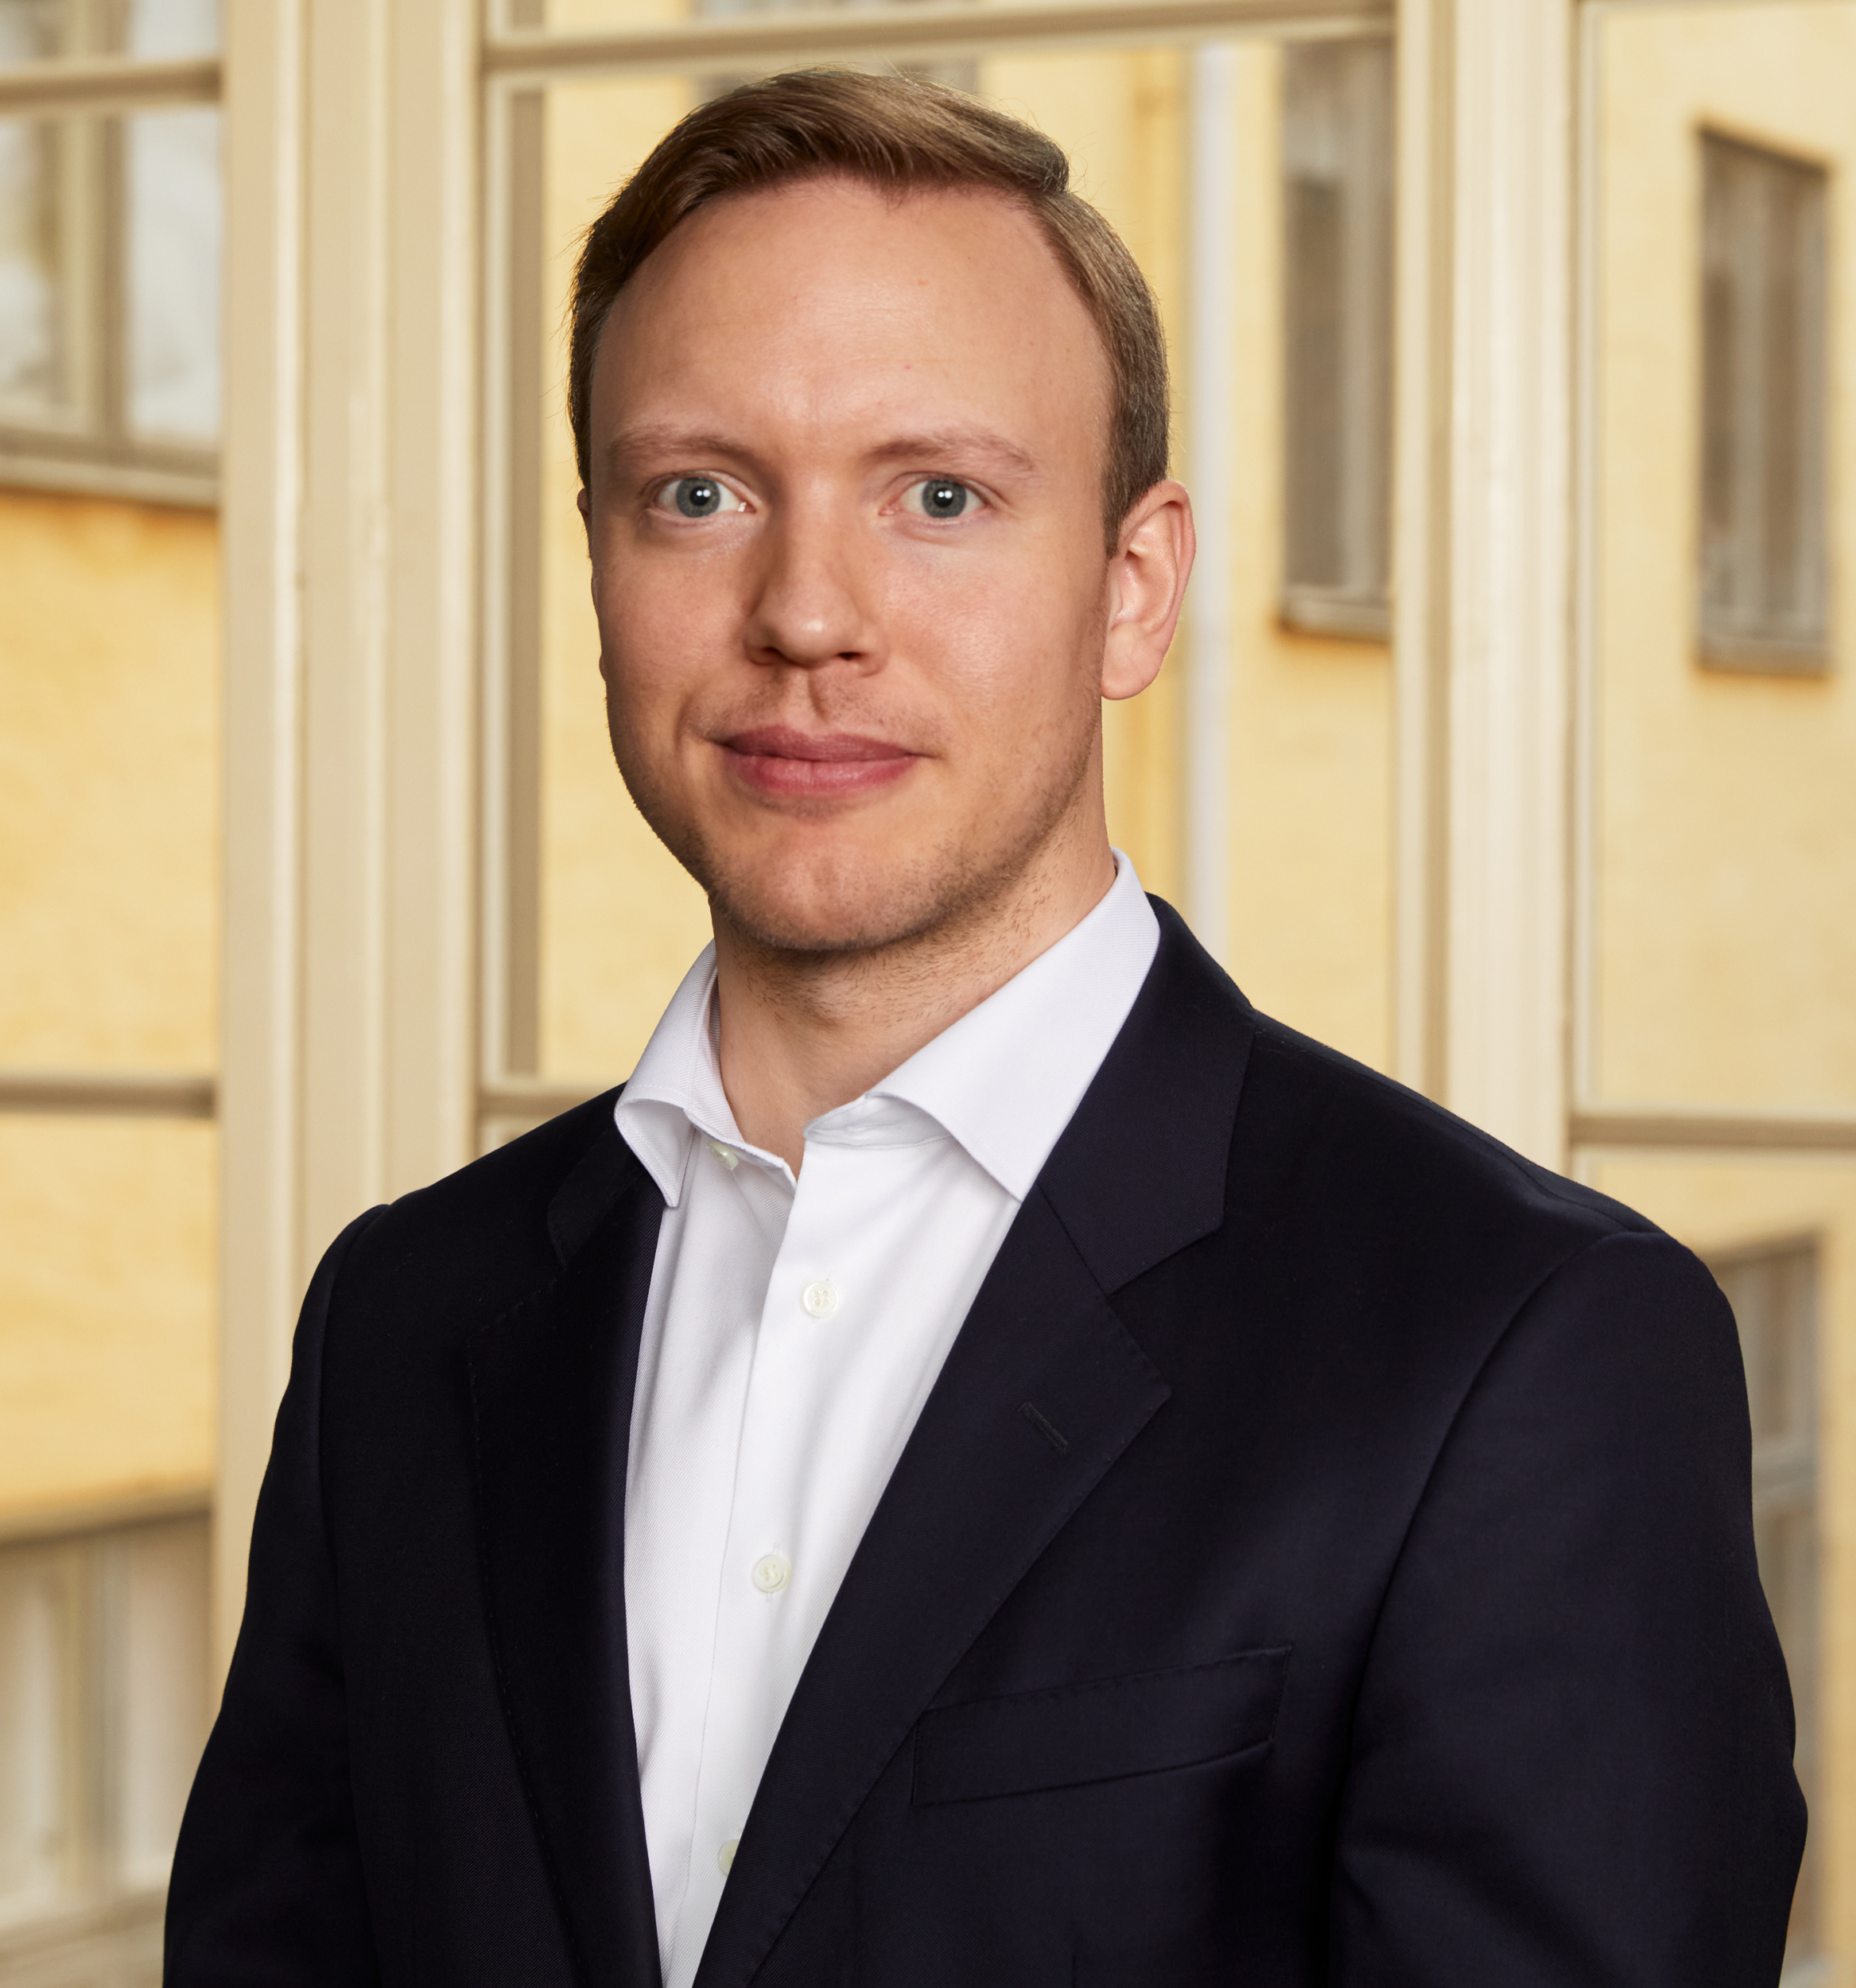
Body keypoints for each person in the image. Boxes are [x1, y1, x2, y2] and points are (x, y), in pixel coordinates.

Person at [166, 68, 1803, 1988]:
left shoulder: (1520, 1347)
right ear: (597, 561)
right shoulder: (404, 1320)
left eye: (937, 496)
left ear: (1134, 589)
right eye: (699, 494)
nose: (806, 614)